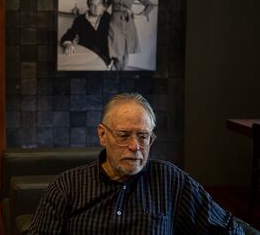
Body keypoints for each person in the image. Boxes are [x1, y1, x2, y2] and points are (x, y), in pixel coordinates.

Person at [27, 93, 245, 234]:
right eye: (123, 135)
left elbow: (228, 228)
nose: (135, 146)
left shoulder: (171, 181)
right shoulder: (67, 187)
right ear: (103, 135)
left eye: (143, 136)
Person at [107, 0, 155, 70]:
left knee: (125, 53)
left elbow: (150, 5)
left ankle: (122, 75)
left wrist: (143, 14)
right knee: (117, 54)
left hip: (128, 23)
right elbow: (105, 5)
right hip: (114, 22)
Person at [60, 0, 112, 67]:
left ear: (102, 6)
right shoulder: (80, 20)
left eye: (99, 4)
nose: (96, 8)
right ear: (88, 7)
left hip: (104, 55)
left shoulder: (107, 17)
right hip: (86, 53)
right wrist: (68, 44)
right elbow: (70, 34)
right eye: (93, 5)